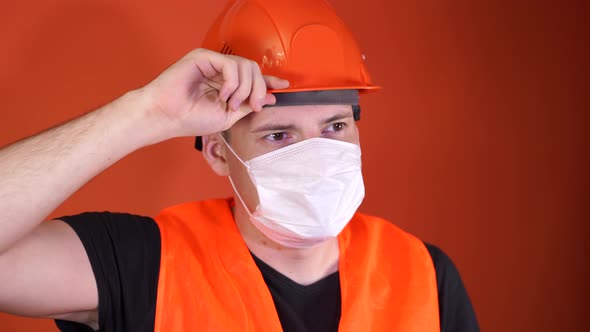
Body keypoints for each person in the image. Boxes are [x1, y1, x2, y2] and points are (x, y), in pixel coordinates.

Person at [0, 0, 479, 331]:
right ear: (216, 152)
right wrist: (146, 113)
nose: (314, 155)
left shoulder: (423, 274)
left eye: (335, 127)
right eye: (278, 134)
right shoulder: (146, 262)